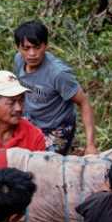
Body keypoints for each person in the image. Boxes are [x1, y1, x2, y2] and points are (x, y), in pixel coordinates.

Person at [13, 21, 98, 155]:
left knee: (46, 163)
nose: (32, 53)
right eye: (26, 48)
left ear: (46, 46)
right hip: (31, 120)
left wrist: (90, 145)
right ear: (18, 48)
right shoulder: (19, 60)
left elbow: (84, 102)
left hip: (58, 128)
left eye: (37, 47)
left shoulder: (58, 74)